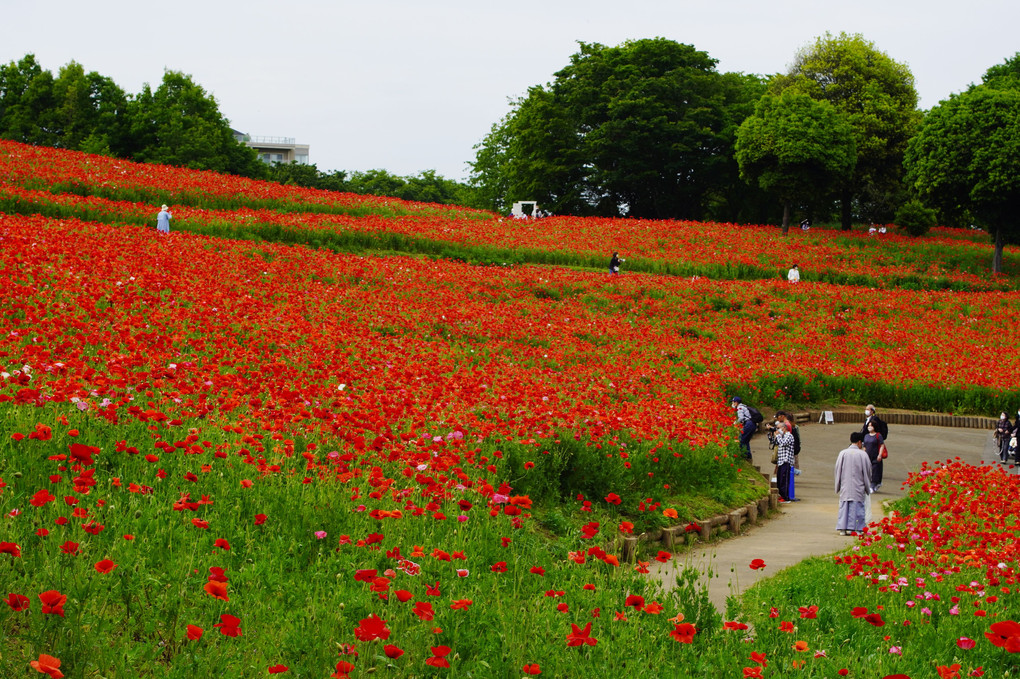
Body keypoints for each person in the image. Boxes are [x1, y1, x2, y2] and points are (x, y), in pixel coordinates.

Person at [834, 432, 873, 535]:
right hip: (858, 485)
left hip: (846, 484)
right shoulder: (863, 454)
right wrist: (867, 485)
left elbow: (837, 469)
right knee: (858, 507)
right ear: (859, 442)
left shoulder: (843, 453)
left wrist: (838, 484)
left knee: (844, 506)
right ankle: (858, 528)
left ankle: (843, 528)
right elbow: (868, 471)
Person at [774, 417, 795, 502]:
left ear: (784, 428)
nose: (778, 429)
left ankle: (785, 497)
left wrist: (778, 435)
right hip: (780, 461)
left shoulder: (789, 435)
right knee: (779, 479)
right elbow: (775, 443)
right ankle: (781, 495)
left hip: (786, 461)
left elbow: (783, 444)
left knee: (784, 480)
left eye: (779, 428)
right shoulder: (782, 435)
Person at [862, 418, 886, 492]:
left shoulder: (878, 436)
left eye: (871, 426)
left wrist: (880, 454)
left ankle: (873, 485)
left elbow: (882, 445)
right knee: (867, 470)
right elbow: (864, 446)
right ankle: (869, 484)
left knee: (875, 471)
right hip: (867, 456)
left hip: (876, 456)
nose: (869, 427)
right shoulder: (866, 436)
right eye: (869, 425)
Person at [731, 396, 756, 461]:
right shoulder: (744, 406)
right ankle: (748, 456)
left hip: (748, 424)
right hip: (752, 424)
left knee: (741, 439)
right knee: (746, 440)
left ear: (736, 402)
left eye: (733, 402)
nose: (732, 404)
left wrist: (735, 423)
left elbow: (741, 418)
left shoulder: (740, 407)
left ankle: (744, 456)